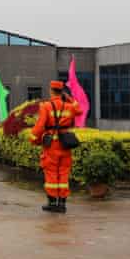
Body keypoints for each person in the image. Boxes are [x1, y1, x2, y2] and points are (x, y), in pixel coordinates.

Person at [30, 81, 82, 213]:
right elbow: (79, 110)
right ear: (62, 92)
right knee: (63, 173)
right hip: (65, 144)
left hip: (52, 145)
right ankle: (62, 203)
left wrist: (33, 138)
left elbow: (40, 126)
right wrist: (70, 99)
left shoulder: (46, 106)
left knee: (51, 174)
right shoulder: (69, 106)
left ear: (51, 91)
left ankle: (52, 203)